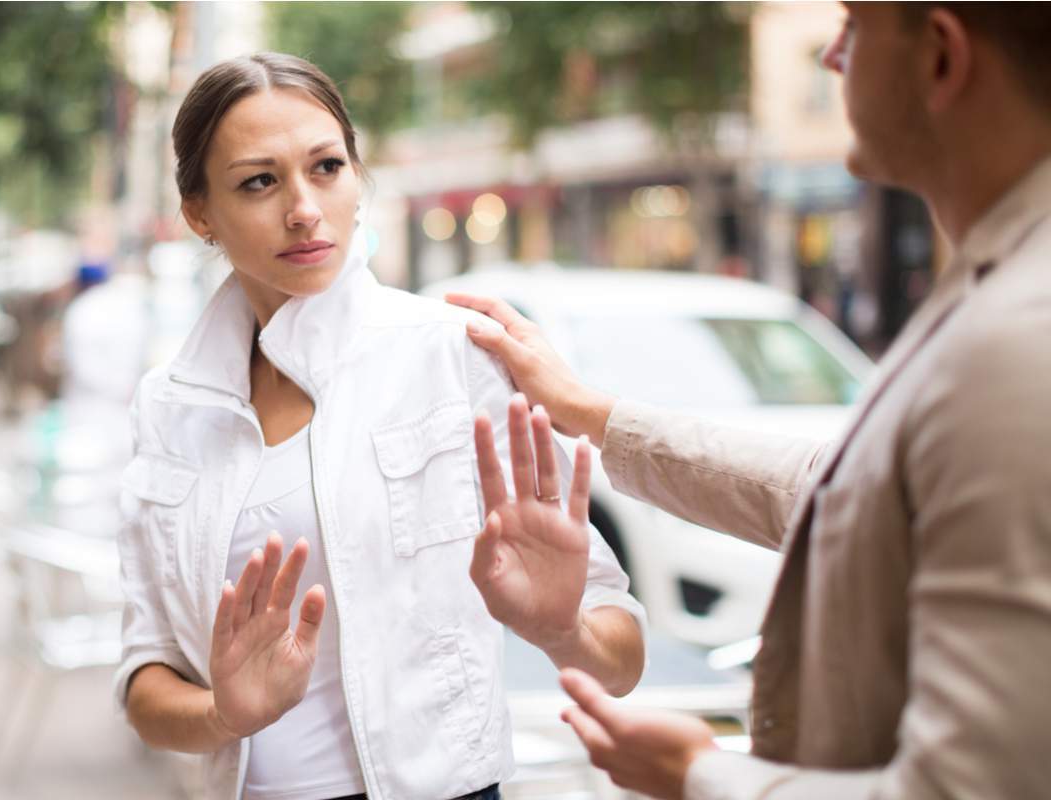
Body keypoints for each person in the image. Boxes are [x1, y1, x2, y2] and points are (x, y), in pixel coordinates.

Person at [449, 3, 1051, 798]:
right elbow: (838, 488)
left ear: (940, 56)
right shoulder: (999, 288)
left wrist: (697, 774)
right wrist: (590, 413)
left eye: (855, 27)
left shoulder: (1015, 336)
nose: (832, 57)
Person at [114, 52, 647, 800]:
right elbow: (145, 679)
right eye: (259, 181)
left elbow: (619, 660)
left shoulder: (452, 354)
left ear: (357, 180)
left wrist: (560, 628)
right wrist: (222, 714)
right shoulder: (168, 406)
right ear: (200, 213)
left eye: (326, 167)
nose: (303, 208)